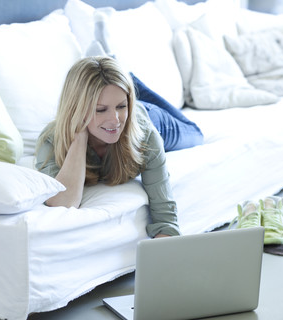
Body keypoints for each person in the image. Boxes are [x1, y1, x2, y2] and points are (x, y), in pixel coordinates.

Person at [35, 56, 180, 238]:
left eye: (121, 106)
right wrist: (79, 138)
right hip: (112, 118)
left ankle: (131, 86)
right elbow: (63, 202)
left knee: (194, 133)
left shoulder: (146, 136)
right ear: (76, 109)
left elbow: (166, 220)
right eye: (100, 109)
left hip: (152, 120)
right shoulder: (51, 140)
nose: (114, 119)